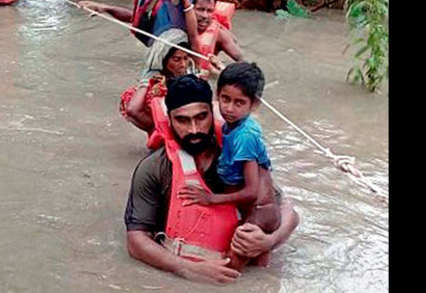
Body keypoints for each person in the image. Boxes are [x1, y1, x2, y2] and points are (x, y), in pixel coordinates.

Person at [124, 75, 299, 285]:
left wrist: (269, 241)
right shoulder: (153, 168)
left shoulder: (239, 152)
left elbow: (288, 211)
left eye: (201, 117)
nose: (194, 129)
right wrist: (186, 268)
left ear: (212, 112)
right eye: (182, 120)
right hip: (188, 271)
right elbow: (136, 241)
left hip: (240, 272)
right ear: (169, 120)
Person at [177, 62, 279, 270]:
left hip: (259, 211)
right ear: (217, 95)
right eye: (225, 99)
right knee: (259, 268)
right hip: (256, 210)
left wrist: (211, 199)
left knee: (231, 266)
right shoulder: (233, 125)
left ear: (254, 104)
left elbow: (251, 192)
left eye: (239, 103)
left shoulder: (245, 136)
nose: (229, 108)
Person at [78, 0, 242, 74]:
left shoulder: (220, 35)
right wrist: (103, 8)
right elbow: (134, 19)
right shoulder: (178, 25)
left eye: (209, 11)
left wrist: (221, 70)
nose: (205, 16)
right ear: (191, 7)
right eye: (200, 9)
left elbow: (243, 63)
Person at [120, 28, 196, 141]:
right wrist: (159, 130)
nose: (183, 64)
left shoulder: (188, 67)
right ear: (164, 59)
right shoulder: (154, 76)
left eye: (185, 58)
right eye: (176, 59)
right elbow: (133, 110)